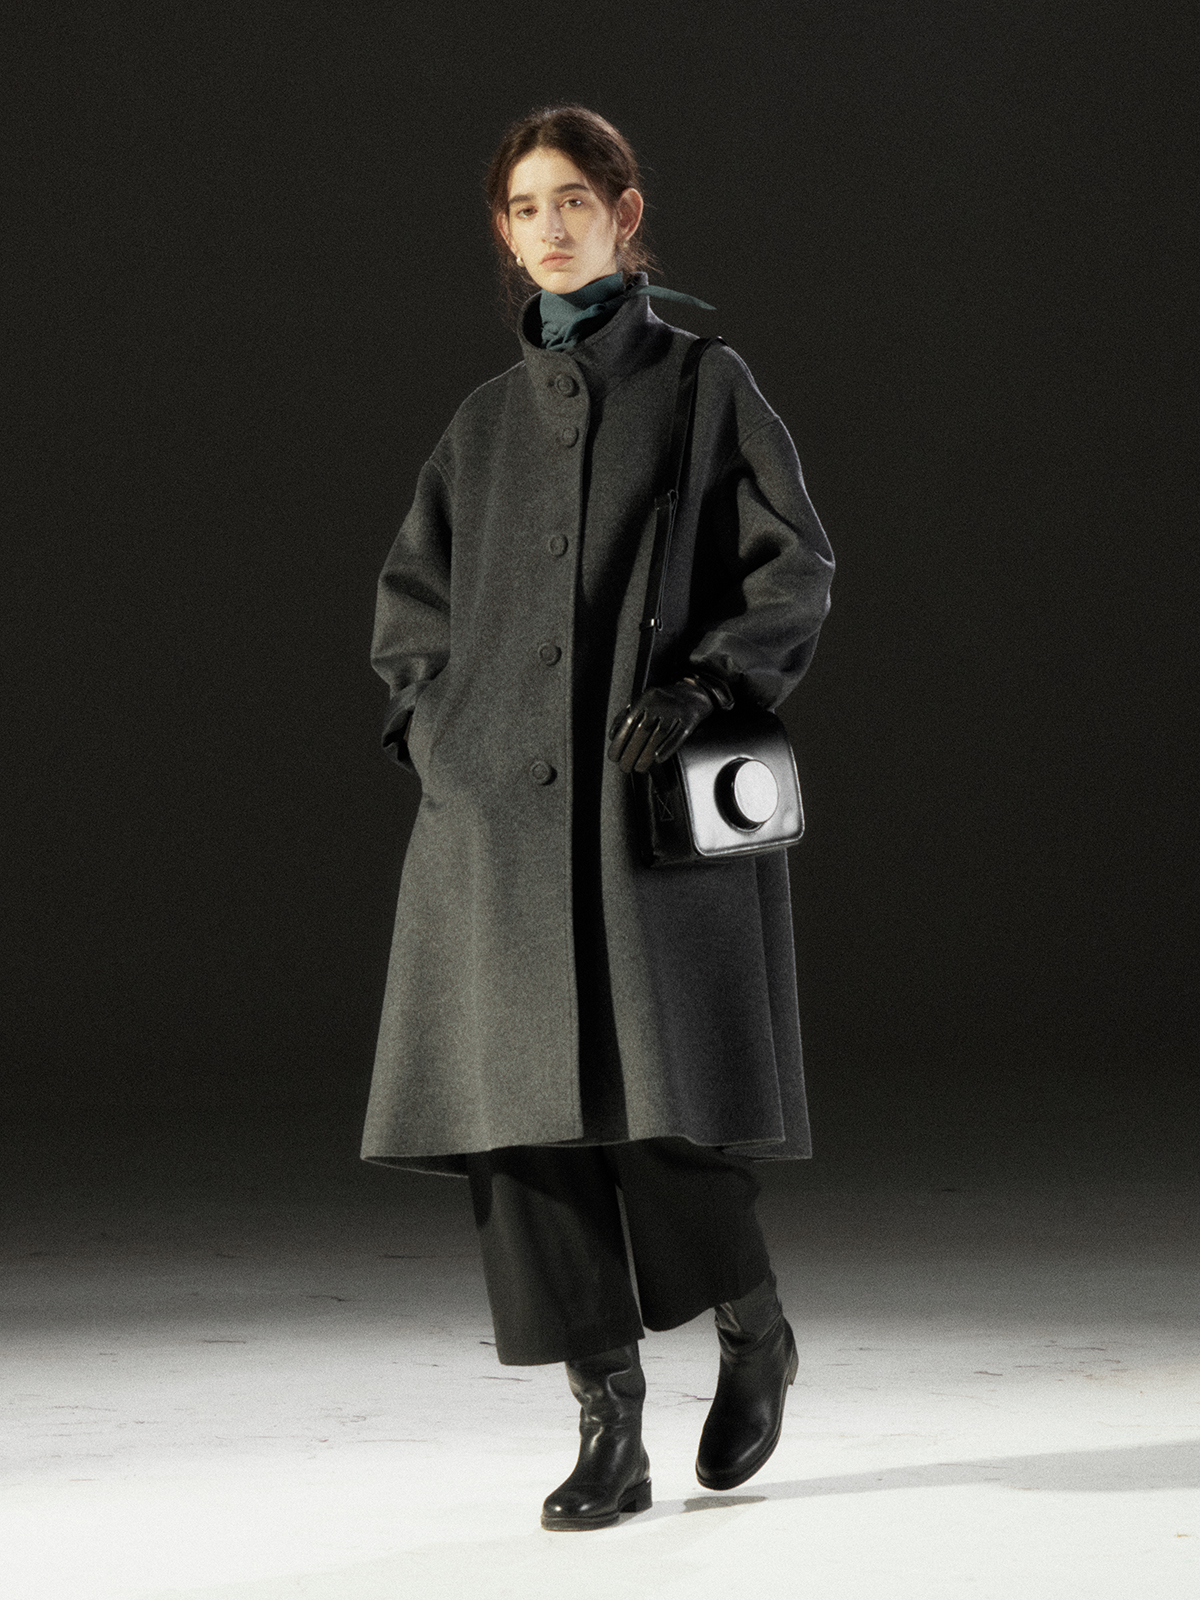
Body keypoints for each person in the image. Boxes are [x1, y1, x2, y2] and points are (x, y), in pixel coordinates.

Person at [361, 105, 835, 1531]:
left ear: (626, 215)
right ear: (504, 236)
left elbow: (794, 565)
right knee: (519, 1131)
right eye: (524, 207)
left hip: (639, 815)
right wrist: (434, 736)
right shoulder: (482, 423)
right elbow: (413, 611)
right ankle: (607, 1422)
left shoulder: (703, 384)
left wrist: (709, 683)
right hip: (493, 833)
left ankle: (753, 1327)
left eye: (574, 198)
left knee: (656, 1112)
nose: (550, 225)